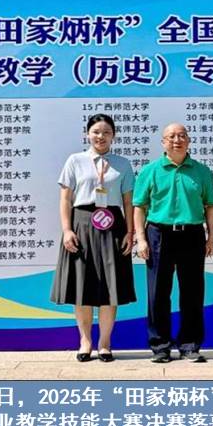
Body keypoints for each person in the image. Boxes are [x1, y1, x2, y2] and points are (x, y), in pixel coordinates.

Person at [51, 114, 136, 363]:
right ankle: (85, 341)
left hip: (113, 224)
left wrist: (130, 232)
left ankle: (105, 343)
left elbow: (129, 202)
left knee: (110, 287)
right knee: (82, 285)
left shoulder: (122, 164)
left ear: (114, 136)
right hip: (82, 223)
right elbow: (65, 199)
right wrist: (67, 230)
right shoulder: (75, 160)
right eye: (96, 131)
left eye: (106, 132)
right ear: (88, 134)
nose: (101, 136)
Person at [133, 123, 213, 363]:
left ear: (189, 140)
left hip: (192, 234)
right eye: (171, 136)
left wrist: (211, 237)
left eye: (182, 136)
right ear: (163, 142)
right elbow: (139, 207)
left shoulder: (201, 171)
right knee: (158, 293)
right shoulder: (150, 171)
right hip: (158, 234)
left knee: (192, 292)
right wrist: (141, 239)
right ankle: (160, 346)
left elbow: (210, 205)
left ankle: (190, 345)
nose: (177, 140)